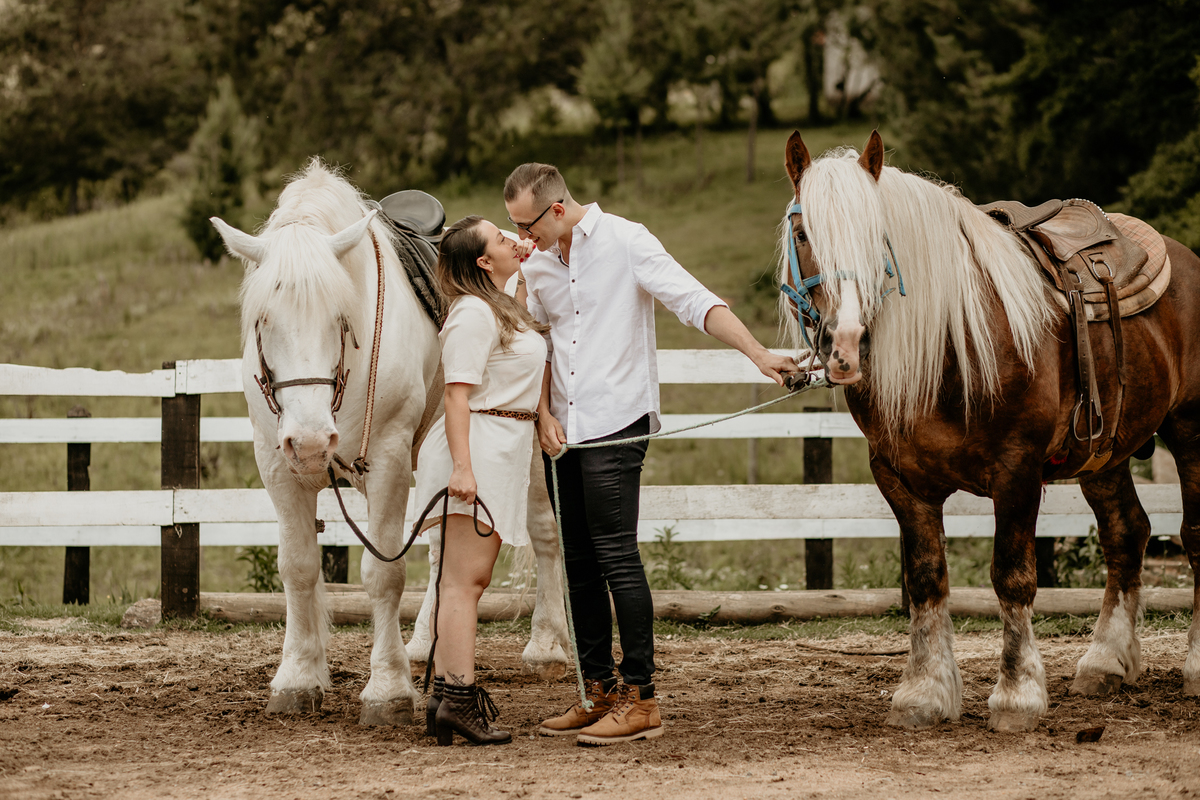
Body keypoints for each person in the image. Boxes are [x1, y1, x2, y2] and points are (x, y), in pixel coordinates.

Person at [504, 163, 798, 745]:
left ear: (557, 209)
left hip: (617, 421)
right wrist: (542, 415)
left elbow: (696, 302)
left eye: (527, 226)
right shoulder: (535, 263)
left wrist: (758, 354)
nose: (522, 238)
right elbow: (535, 340)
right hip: (563, 431)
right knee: (579, 565)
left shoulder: (627, 240)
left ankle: (642, 700)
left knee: (615, 556)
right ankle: (597, 692)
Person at [412, 215, 544, 747]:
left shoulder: (494, 303)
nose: (515, 241)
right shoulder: (472, 314)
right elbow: (455, 396)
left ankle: (445, 697)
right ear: (483, 263)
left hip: (496, 444)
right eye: (502, 239)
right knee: (465, 582)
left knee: (457, 580)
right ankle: (460, 699)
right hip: (477, 449)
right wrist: (463, 468)